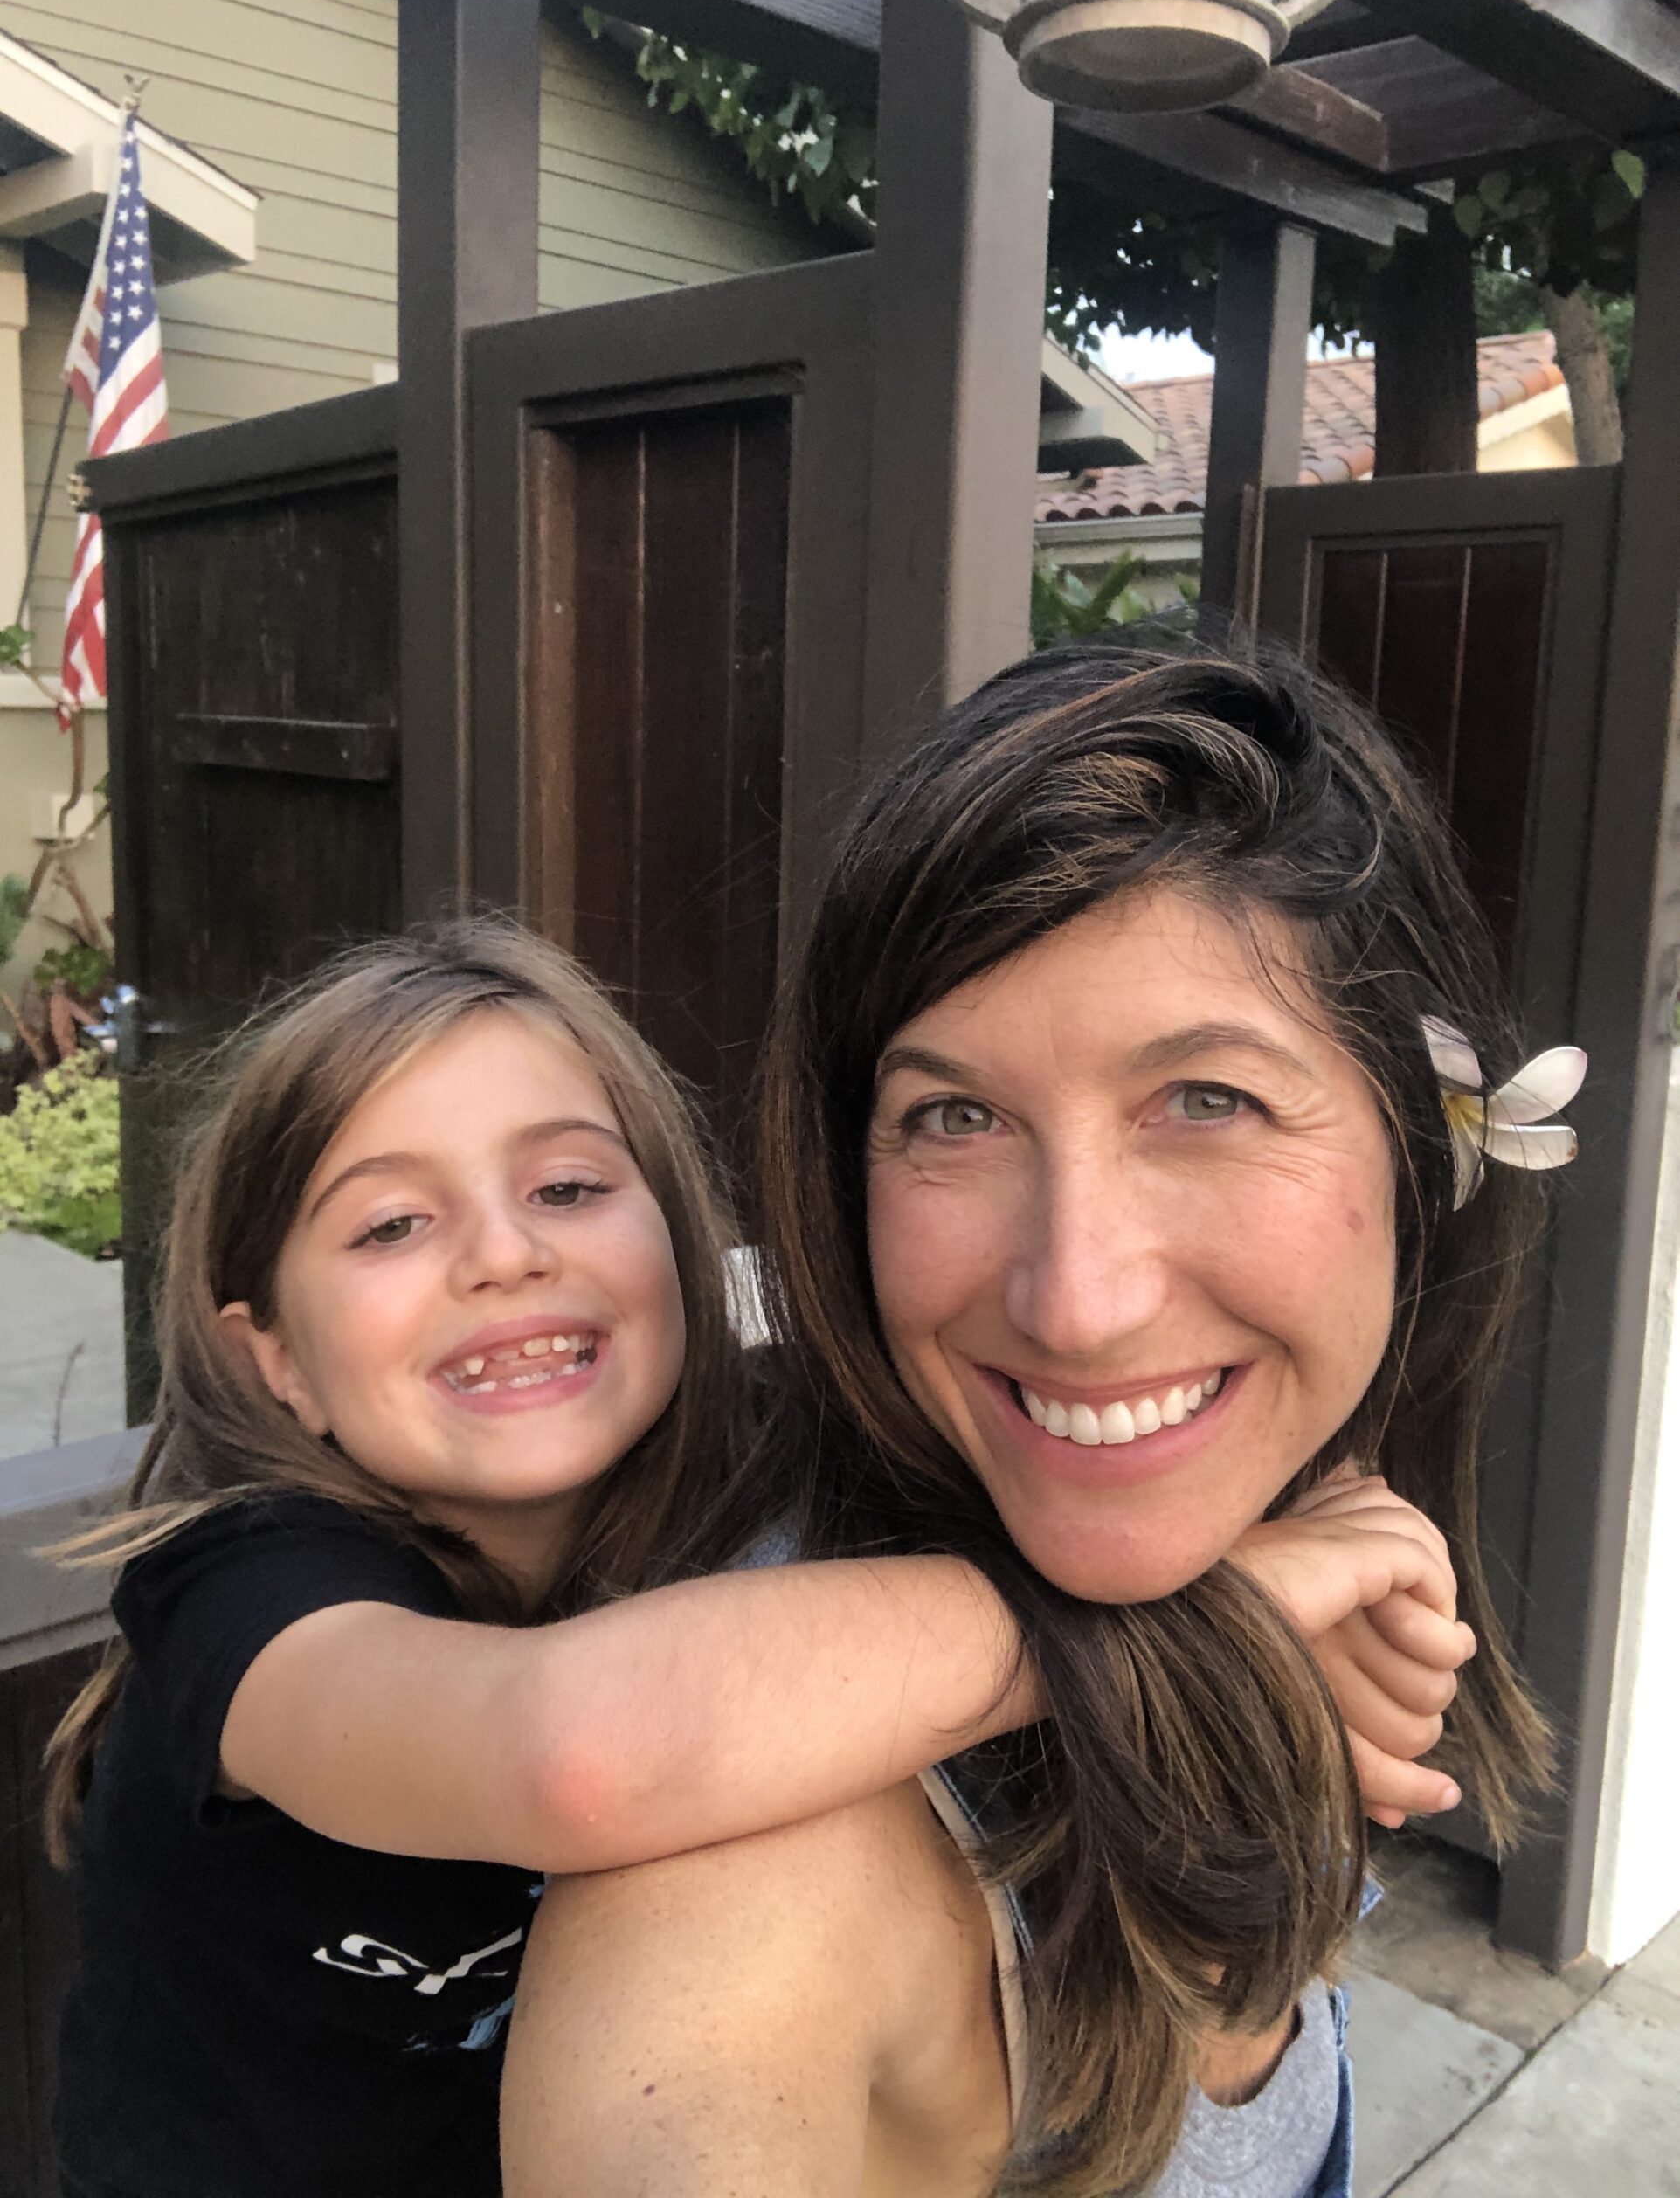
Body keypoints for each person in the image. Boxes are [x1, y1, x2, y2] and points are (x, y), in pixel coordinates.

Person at [501, 642, 1575, 2198]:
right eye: (954, 1116)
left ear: (1426, 1155)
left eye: (1208, 1100)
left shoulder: (1303, 1559)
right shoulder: (754, 1880)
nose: (1077, 1300)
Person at [41, 921, 1068, 2198]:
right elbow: (571, 1755)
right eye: (392, 1226)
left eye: (569, 1189)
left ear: (678, 1240)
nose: (507, 1255)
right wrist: (1143, 1632)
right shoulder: (245, 1589)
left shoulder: (766, 1480)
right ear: (278, 1362)